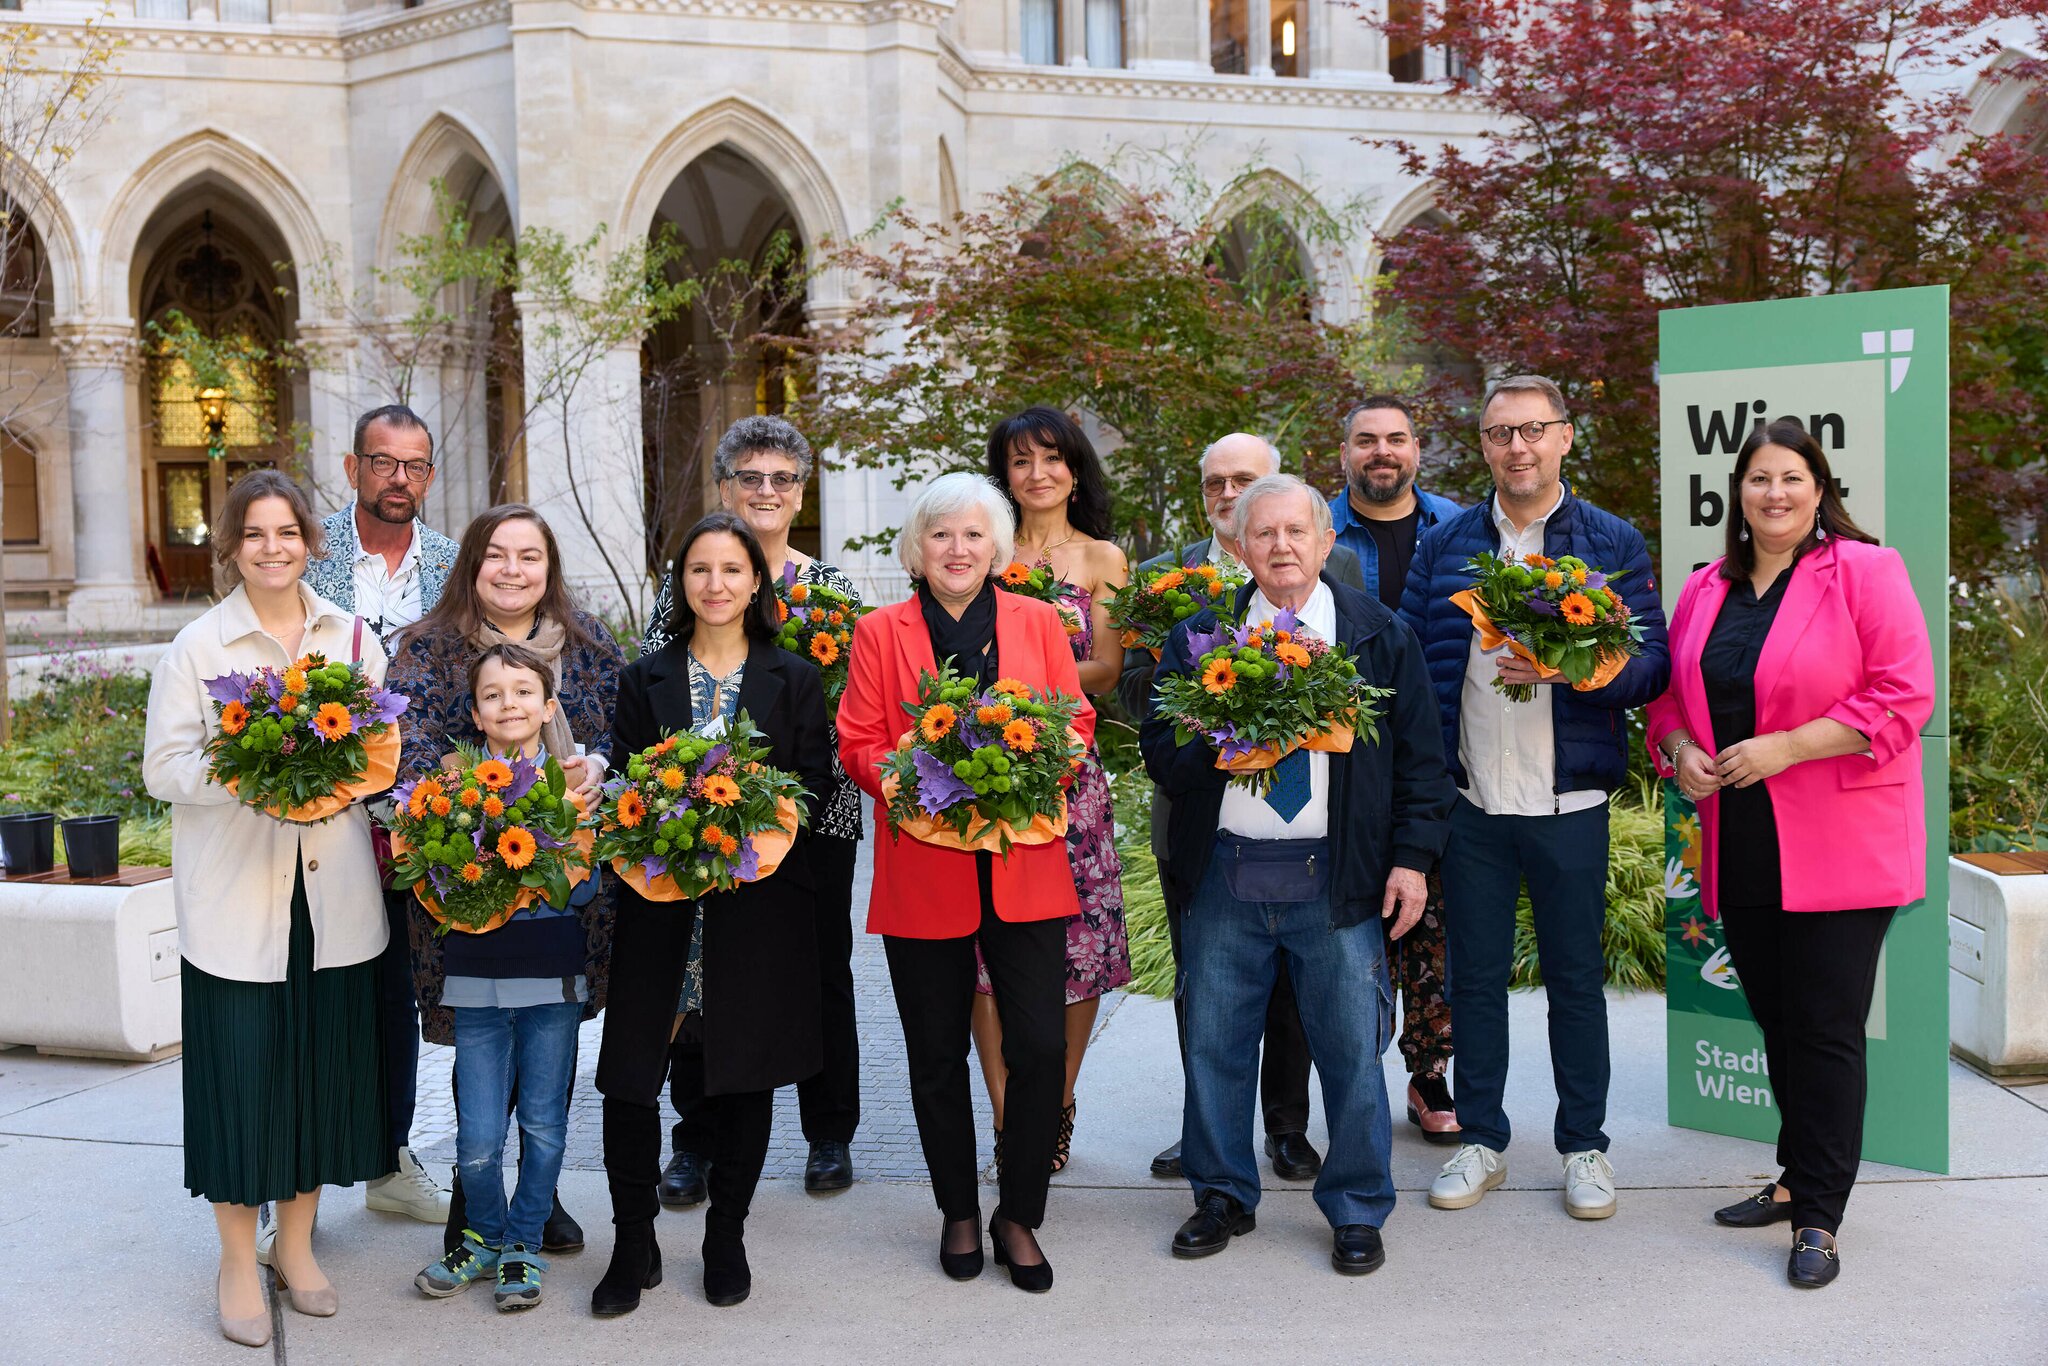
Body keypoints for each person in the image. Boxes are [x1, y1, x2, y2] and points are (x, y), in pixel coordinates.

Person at [1645, 418, 1933, 1289]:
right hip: (1743, 839)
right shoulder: (1706, 588)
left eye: (1792, 479)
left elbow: (1904, 693)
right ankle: (1794, 1174)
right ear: (1738, 493)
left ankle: (1819, 1218)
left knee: (1826, 1029)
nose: (1775, 494)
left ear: (1820, 491)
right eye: (1760, 479)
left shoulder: (1866, 571)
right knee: (1777, 1020)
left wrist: (1788, 747)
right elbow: (1669, 699)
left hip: (1845, 841)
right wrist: (1680, 752)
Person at [1142, 473, 1453, 1275]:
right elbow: (1162, 755)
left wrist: (1412, 862)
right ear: (1239, 546)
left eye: (1296, 531)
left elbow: (1424, 764)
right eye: (1264, 533)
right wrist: (1224, 739)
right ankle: (1221, 1195)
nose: (1281, 546)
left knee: (1352, 1054)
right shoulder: (1201, 641)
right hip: (1226, 875)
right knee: (1215, 1046)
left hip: (1338, 879)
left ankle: (1356, 1207)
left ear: (1325, 541)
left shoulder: (1378, 636)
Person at [1399, 374, 1670, 1220]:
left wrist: (1574, 670)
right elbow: (1410, 667)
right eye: (1499, 433)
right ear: (1483, 446)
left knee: (1576, 984)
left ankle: (1584, 1146)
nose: (1517, 447)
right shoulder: (1446, 545)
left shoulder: (1611, 541)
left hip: (1569, 807)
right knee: (1474, 983)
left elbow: (1652, 665)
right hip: (1474, 805)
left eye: (1532, 430)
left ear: (1564, 437)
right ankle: (1481, 1140)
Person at [142, 470, 391, 1348]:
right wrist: (246, 764)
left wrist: (333, 771)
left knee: (317, 1078)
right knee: (243, 1084)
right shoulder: (199, 647)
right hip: (236, 905)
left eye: (287, 532)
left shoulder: (350, 638)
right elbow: (163, 768)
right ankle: (237, 1262)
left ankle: (297, 1246)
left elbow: (377, 751)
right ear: (232, 546)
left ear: (310, 543)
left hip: (332, 900)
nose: (272, 548)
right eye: (254, 534)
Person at [837, 472, 1093, 1293]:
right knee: (936, 1053)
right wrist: (923, 780)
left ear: (998, 548)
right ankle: (957, 1209)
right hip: (923, 866)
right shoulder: (879, 632)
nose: (958, 549)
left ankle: (1019, 1213)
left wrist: (1031, 770)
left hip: (1025, 864)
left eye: (974, 534)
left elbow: (1076, 720)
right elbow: (857, 741)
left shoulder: (1040, 621)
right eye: (942, 534)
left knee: (1041, 1047)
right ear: (917, 549)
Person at [592, 512, 832, 1315]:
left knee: (743, 1080)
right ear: (681, 582)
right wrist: (667, 823)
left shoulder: (794, 678)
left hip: (755, 911)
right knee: (630, 1082)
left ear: (756, 581)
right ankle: (633, 1242)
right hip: (658, 911)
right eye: (700, 569)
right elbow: (624, 787)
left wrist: (750, 823)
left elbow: (814, 786)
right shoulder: (645, 678)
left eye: (732, 569)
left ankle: (726, 1236)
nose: (716, 584)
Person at [1114, 432, 1364, 1183]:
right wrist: (1203, 697)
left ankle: (1286, 1127)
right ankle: (1208, 1132)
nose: (1229, 493)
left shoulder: (1336, 571)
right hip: (1203, 817)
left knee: (1295, 988)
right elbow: (1135, 694)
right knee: (1208, 989)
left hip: (1311, 828)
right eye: (1215, 482)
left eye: (1244, 479)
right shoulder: (1164, 582)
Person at [387, 503, 625, 1255]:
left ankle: (538, 1201)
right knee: (483, 1050)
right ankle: (474, 1202)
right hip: (467, 888)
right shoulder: (427, 649)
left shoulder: (589, 645)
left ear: (549, 568)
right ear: (473, 563)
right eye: (497, 554)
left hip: (565, 896)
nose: (513, 570)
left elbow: (623, 729)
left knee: (548, 1046)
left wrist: (596, 766)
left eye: (530, 556)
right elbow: (406, 751)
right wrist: (476, 805)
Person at [643, 416, 864, 1200]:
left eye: (782, 479)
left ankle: (829, 1132)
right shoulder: (688, 580)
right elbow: (657, 684)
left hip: (819, 812)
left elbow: (858, 702)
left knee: (820, 967)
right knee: (699, 970)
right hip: (702, 816)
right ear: (724, 487)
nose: (766, 491)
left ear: (800, 493)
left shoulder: (834, 591)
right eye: (750, 477)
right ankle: (696, 1143)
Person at [303, 402, 460, 1230]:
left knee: (398, 991)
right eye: (383, 461)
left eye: (415, 465)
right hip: (321, 811)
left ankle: (390, 1160)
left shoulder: (453, 562)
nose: (399, 478)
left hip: (418, 813)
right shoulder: (308, 552)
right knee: (316, 991)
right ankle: (293, 1179)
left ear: (428, 475)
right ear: (353, 466)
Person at [411, 644, 606, 1312]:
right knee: (477, 1137)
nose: (508, 704)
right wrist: (481, 876)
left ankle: (524, 1242)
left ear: (548, 707)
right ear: (475, 714)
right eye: (492, 695)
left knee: (544, 1126)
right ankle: (482, 1237)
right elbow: (436, 882)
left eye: (523, 692)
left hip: (552, 979)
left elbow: (586, 889)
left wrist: (552, 865)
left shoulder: (572, 790)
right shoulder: (454, 796)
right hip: (476, 981)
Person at [980, 406, 1131, 1174]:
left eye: (1051, 458)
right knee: (984, 955)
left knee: (1082, 943)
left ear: (1075, 470)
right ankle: (1010, 1116)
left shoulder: (1103, 558)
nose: (1037, 474)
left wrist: (1027, 677)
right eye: (1020, 460)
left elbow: (1106, 668)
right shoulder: (981, 548)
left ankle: (1057, 1104)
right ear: (1003, 475)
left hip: (1070, 777)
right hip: (983, 776)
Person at [1328, 397, 1464, 1144]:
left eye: (1396, 439)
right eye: (1366, 440)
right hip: (1341, 761)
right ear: (1344, 452)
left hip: (1439, 753)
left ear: (1417, 448)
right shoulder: (1313, 531)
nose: (1382, 451)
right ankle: (1349, 1081)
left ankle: (1429, 1069)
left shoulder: (1460, 529)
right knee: (1354, 926)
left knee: (1436, 926)